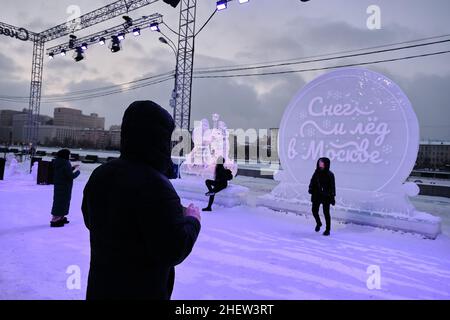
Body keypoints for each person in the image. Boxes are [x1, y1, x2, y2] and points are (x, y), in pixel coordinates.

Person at [81, 100, 201, 300]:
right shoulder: (157, 186)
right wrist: (193, 220)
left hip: (101, 290)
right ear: (159, 139)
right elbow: (174, 248)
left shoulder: (101, 174)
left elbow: (90, 220)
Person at [50, 149, 80, 227]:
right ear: (65, 155)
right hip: (65, 186)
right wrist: (78, 171)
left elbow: (64, 172)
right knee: (63, 202)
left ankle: (60, 217)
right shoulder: (66, 163)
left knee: (59, 201)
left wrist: (72, 168)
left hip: (59, 185)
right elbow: (70, 176)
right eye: (69, 154)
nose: (70, 155)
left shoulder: (58, 162)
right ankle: (56, 220)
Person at [308, 157, 336, 236]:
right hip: (316, 195)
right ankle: (319, 223)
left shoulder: (330, 174)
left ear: (326, 164)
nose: (320, 163)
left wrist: (333, 197)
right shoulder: (316, 172)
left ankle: (327, 229)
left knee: (326, 213)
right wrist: (310, 188)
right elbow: (312, 181)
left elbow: (333, 187)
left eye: (322, 162)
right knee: (314, 210)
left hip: (326, 196)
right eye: (319, 162)